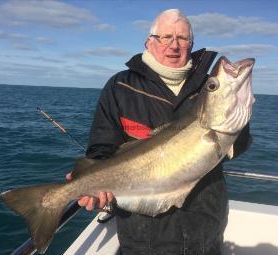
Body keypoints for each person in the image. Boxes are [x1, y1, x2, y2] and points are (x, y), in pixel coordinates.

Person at [67, 9, 251, 255]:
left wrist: (238, 118)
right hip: (142, 234)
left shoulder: (204, 86)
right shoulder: (120, 86)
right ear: (149, 42)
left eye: (182, 38)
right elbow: (102, 147)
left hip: (206, 227)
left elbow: (235, 150)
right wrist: (93, 183)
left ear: (191, 44)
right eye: (165, 37)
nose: (174, 46)